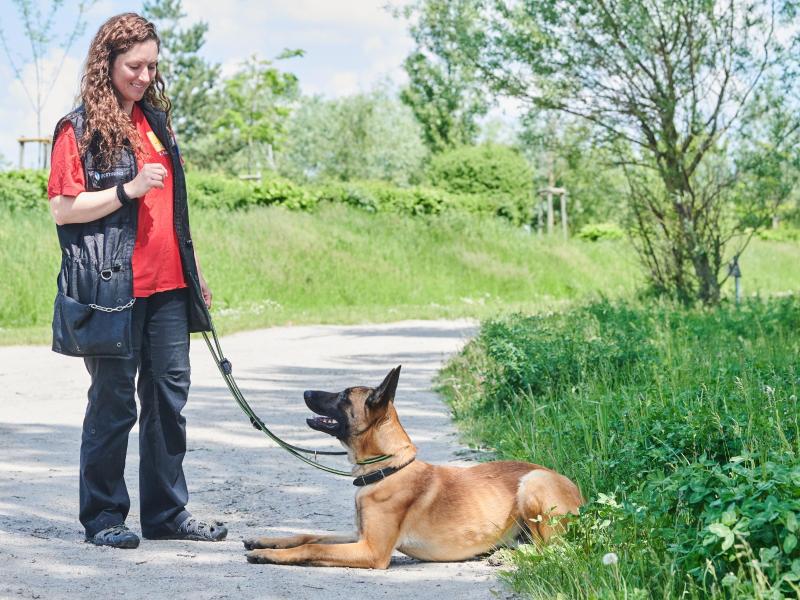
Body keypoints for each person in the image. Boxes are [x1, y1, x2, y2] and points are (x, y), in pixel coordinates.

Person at [47, 12, 227, 549]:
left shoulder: (157, 123)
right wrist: (127, 188)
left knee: (169, 400)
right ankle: (103, 517)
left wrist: (193, 275)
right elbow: (63, 209)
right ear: (107, 64)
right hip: (112, 291)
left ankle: (167, 515)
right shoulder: (77, 129)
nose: (145, 75)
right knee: (114, 403)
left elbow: (173, 211)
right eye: (134, 65)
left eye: (152, 65)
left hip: (170, 288)